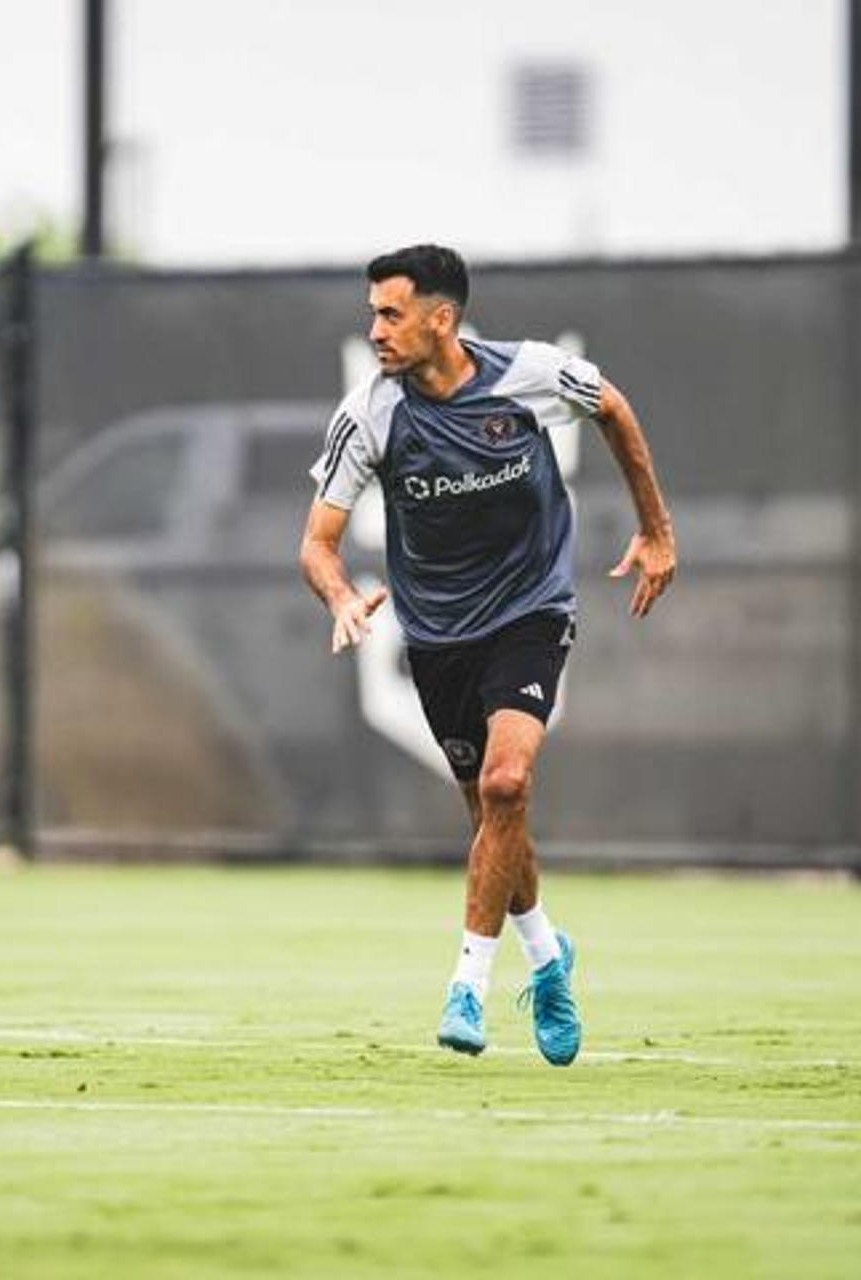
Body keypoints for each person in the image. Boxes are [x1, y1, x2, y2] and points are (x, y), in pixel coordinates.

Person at [299, 244, 678, 1066]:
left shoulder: (534, 374)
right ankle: (548, 958)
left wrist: (655, 530)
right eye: (371, 314)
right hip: (437, 637)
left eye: (391, 314)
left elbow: (612, 407)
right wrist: (337, 596)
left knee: (509, 784)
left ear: (443, 318)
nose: (375, 331)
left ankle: (466, 986)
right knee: (492, 819)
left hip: (531, 612)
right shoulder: (369, 414)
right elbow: (318, 543)